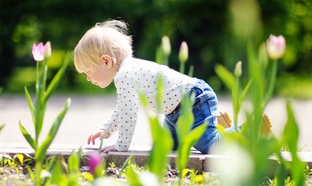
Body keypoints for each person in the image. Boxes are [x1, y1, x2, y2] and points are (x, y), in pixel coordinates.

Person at [73, 19, 232, 154]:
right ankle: (215, 124)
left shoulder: (125, 75)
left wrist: (120, 146)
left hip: (193, 102)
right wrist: (106, 130)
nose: (88, 78)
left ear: (106, 61)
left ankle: (249, 128)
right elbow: (123, 109)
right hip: (175, 113)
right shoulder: (127, 71)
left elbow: (129, 114)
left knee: (211, 146)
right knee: (165, 148)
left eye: (88, 71)